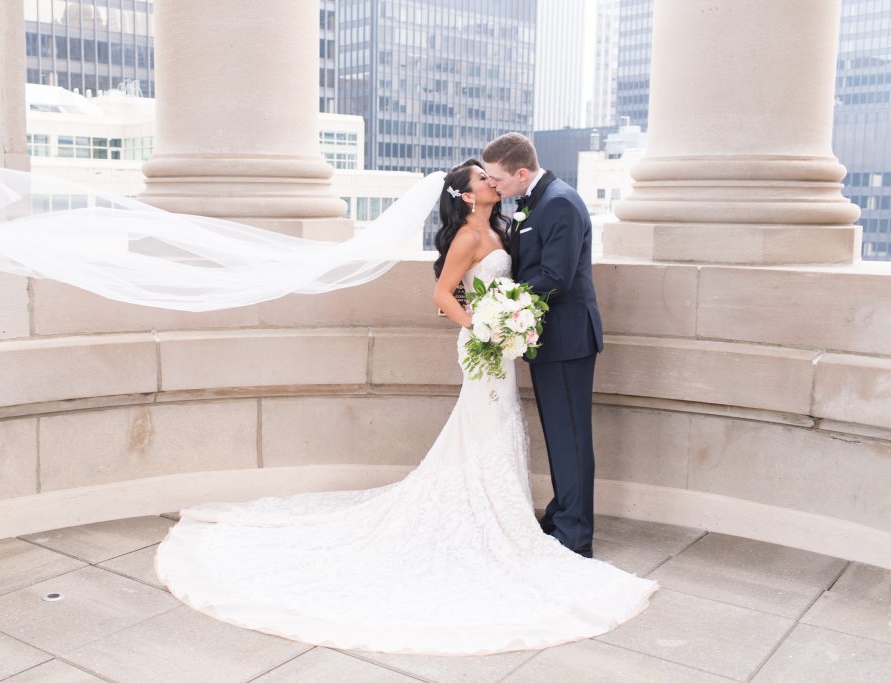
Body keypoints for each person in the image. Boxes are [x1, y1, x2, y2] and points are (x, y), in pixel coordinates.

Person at [154, 159, 656, 655]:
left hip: (503, 342)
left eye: (493, 175)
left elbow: (526, 276)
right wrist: (481, 327)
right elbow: (443, 294)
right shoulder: (466, 238)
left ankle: (509, 513)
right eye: (482, 178)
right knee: (488, 423)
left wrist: (504, 322)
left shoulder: (504, 226)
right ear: (464, 195)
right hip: (484, 343)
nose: (490, 182)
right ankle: (495, 516)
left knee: (500, 425)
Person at [482, 133, 603, 559]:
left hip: (568, 340)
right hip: (548, 340)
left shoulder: (560, 203)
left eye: (497, 178)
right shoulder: (538, 201)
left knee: (570, 438)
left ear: (521, 172)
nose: (493, 186)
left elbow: (555, 276)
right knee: (559, 435)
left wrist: (500, 303)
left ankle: (575, 534)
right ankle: (560, 514)